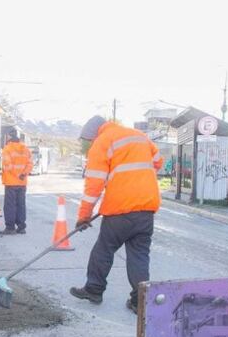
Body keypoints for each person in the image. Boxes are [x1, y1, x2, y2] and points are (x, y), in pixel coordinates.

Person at [70, 115, 163, 314]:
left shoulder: (102, 142)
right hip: (146, 207)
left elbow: (94, 184)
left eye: (88, 141)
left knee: (104, 249)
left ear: (93, 134)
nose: (89, 144)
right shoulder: (139, 136)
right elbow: (158, 162)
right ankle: (140, 301)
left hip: (120, 208)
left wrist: (84, 216)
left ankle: (94, 289)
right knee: (139, 255)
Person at [0, 128, 33, 235]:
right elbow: (30, 164)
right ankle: (21, 227)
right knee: (21, 204)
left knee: (10, 205)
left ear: (9, 137)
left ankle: (10, 228)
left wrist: (18, 175)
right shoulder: (26, 149)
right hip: (22, 183)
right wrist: (23, 174)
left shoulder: (7, 149)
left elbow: (8, 166)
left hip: (11, 182)